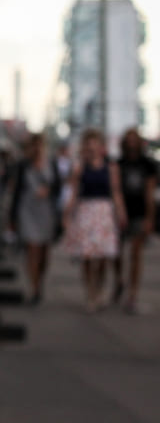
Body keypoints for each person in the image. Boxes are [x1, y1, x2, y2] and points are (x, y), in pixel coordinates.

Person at [62, 128, 127, 312]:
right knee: (87, 256)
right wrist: (67, 214)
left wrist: (121, 212)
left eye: (95, 146)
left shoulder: (111, 168)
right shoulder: (80, 168)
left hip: (104, 213)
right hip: (86, 212)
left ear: (101, 147)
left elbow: (116, 192)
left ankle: (99, 289)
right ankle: (90, 292)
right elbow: (74, 193)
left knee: (103, 256)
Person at [10, 133, 61, 304]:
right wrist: (13, 216)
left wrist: (49, 190)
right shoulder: (23, 165)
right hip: (28, 210)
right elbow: (16, 191)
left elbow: (58, 187)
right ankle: (34, 288)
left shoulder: (51, 164)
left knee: (44, 252)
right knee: (32, 248)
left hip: (46, 212)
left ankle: (40, 280)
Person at [115, 128, 156, 312]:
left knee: (136, 255)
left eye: (134, 140)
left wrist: (150, 218)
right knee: (116, 254)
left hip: (139, 213)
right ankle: (119, 280)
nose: (131, 144)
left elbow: (150, 192)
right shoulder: (118, 163)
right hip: (119, 213)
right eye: (128, 140)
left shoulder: (147, 165)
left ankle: (133, 293)